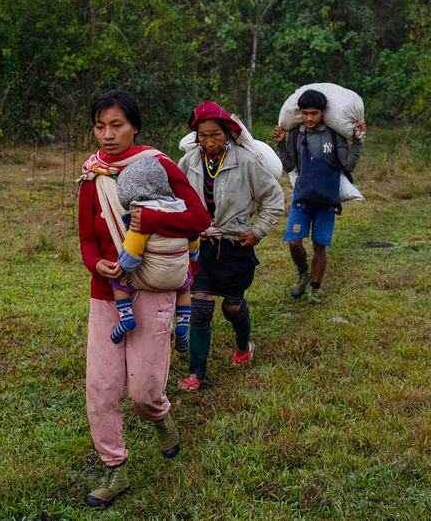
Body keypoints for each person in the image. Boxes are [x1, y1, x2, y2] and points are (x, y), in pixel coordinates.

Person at [77, 89, 210, 508]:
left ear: (134, 127)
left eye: (116, 125)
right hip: (106, 295)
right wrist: (97, 264)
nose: (107, 135)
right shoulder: (91, 175)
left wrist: (147, 218)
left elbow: (198, 219)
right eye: (100, 126)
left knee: (144, 392)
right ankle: (115, 468)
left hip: (151, 290)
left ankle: (160, 415)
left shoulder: (158, 166)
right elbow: (84, 239)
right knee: (101, 388)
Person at [176, 100, 284, 392]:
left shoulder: (246, 162)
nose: (209, 142)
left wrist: (258, 231)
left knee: (233, 307)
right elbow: (175, 197)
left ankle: (242, 344)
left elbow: (274, 199)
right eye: (203, 135)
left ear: (227, 133)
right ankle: (196, 372)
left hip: (236, 246)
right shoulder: (189, 163)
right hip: (203, 246)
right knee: (200, 305)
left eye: (216, 135)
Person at [271, 89, 366, 304]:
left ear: (323, 112)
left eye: (314, 113)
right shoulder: (297, 134)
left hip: (326, 201)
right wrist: (280, 144)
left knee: (319, 246)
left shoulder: (334, 135)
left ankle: (315, 287)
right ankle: (303, 273)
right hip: (301, 199)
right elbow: (289, 165)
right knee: (294, 243)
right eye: (305, 113)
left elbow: (349, 164)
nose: (309, 118)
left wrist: (358, 142)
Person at [109, 156, 201, 345]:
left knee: (118, 283)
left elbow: (132, 251)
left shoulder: (141, 217)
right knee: (185, 288)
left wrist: (123, 269)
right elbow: (194, 244)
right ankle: (183, 323)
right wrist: (193, 255)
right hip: (177, 278)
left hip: (150, 279)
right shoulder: (181, 211)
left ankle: (126, 317)